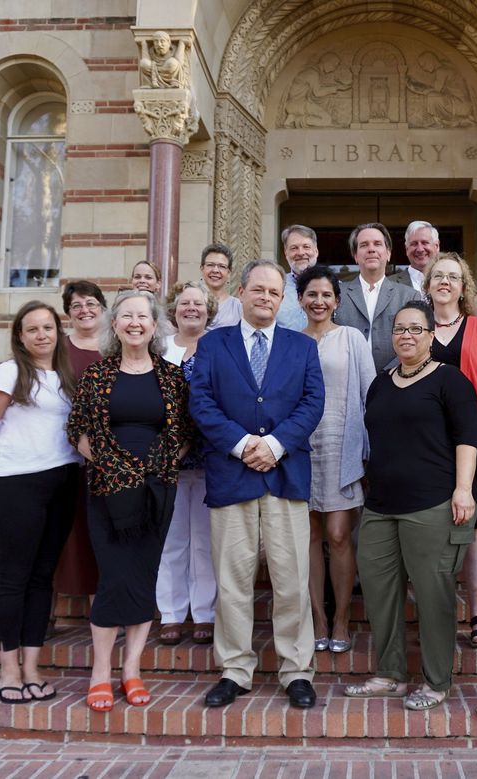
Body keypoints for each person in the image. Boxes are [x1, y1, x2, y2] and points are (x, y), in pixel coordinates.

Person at [189, 261, 325, 710]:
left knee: (291, 580)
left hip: (285, 474)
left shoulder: (302, 347)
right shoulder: (213, 345)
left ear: (281, 301)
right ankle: (234, 669)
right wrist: (245, 442)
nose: (266, 297)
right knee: (232, 581)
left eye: (274, 292)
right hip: (232, 473)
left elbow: (312, 402)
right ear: (242, 292)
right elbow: (201, 401)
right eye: (258, 290)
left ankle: (296, 670)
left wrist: (277, 445)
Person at [344, 301, 477, 710]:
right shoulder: (381, 384)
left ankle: (437, 682)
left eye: (416, 329)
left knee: (433, 593)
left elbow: (467, 438)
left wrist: (463, 489)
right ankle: (390, 675)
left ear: (431, 336)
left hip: (432, 504)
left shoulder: (450, 381)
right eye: (399, 329)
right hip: (381, 506)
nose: (406, 335)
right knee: (380, 593)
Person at [67, 290, 195, 712]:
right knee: (114, 576)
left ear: (156, 326)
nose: (135, 323)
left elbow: (184, 436)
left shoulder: (173, 378)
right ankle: (100, 673)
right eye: (127, 316)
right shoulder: (96, 376)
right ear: (115, 325)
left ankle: (132, 670)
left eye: (143, 316)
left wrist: (154, 470)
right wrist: (116, 468)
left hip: (157, 491)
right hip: (108, 491)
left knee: (143, 575)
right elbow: (78, 433)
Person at [0, 301, 82, 704]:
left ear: (57, 331)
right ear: (20, 335)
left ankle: (32, 666)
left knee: (41, 578)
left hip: (63, 481)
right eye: (32, 329)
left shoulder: (64, 376)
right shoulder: (9, 372)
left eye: (48, 327)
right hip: (15, 484)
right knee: (14, 578)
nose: (41, 335)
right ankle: (8, 670)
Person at [424, 252, 477, 649]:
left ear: (463, 288)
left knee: (474, 526)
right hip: (426, 436)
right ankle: (437, 611)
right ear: (427, 285)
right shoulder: (417, 325)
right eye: (438, 276)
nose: (445, 282)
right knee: (431, 522)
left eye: (453, 277)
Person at [298, 265, 376, 653]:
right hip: (298, 449)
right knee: (310, 536)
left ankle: (342, 618)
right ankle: (319, 619)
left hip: (343, 446)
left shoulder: (351, 338)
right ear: (300, 300)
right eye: (312, 294)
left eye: (326, 295)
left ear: (337, 302)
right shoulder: (290, 342)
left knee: (338, 535)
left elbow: (370, 395)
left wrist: (367, 453)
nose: (319, 301)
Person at [156, 281, 219, 646]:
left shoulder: (218, 345)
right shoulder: (159, 347)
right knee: (172, 539)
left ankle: (205, 613)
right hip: (166, 462)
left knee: (206, 541)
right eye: (185, 303)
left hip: (210, 458)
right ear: (174, 309)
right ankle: (171, 613)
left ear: (208, 310)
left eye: (198, 303)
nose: (191, 308)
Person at [52, 281, 107, 608]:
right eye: (76, 306)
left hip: (108, 458)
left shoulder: (116, 346)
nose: (85, 310)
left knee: (96, 534)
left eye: (90, 303)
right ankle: (48, 610)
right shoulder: (57, 349)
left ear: (102, 307)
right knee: (62, 532)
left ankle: (99, 610)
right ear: (68, 313)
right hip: (62, 454)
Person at [335, 222, 420, 371]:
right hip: (346, 380)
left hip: (395, 382)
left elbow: (416, 341)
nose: (371, 249)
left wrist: (387, 375)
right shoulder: (337, 294)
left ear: (388, 253)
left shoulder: (409, 296)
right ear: (355, 255)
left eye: (377, 244)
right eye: (364, 245)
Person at [276, 225, 319, 330]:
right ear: (286, 254)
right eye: (294, 248)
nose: (300, 253)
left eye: (306, 247)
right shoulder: (276, 286)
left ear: (316, 251)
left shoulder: (335, 287)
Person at [389, 220, 439, 293]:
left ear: (436, 246)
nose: (420, 249)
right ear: (407, 249)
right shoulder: (389, 284)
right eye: (414, 244)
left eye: (425, 243)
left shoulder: (448, 282)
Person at [200, 243, 242, 328]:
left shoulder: (238, 307)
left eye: (222, 266)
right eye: (210, 265)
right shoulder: (190, 304)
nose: (215, 270)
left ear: (229, 273)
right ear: (202, 269)